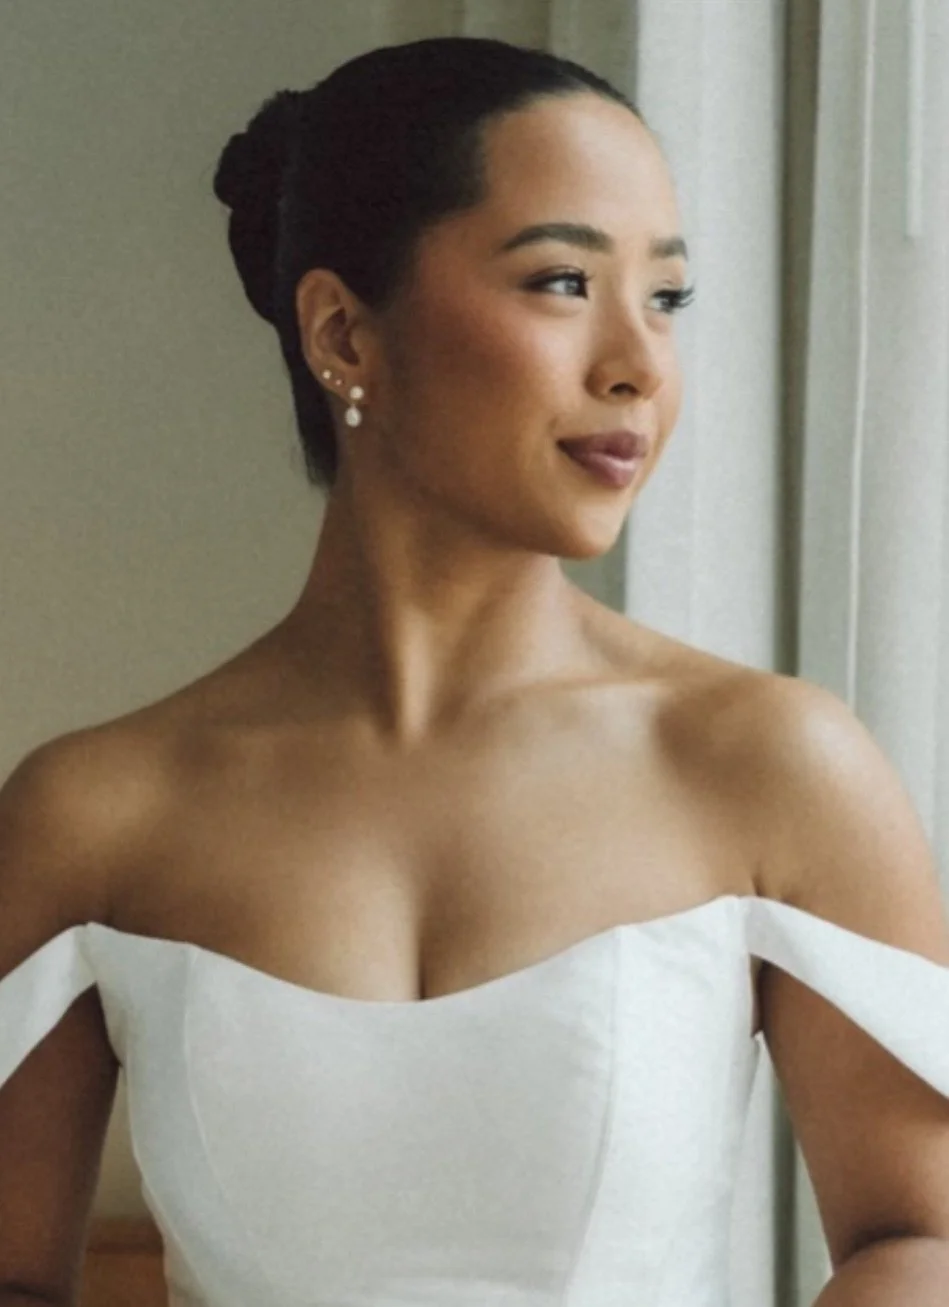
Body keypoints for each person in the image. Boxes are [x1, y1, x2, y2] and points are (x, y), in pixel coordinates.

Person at [4, 35, 949, 1307]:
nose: (638, 365)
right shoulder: (95, 812)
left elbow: (919, 1238)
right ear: (343, 330)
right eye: (563, 280)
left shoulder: (770, 763)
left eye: (666, 297)